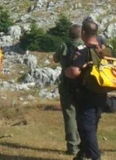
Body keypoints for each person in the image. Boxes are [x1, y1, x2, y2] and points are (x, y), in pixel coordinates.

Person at [64, 18, 112, 160]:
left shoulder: (83, 51)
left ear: (83, 33)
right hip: (102, 93)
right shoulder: (105, 50)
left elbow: (74, 72)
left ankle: (95, 157)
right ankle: (82, 154)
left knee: (87, 129)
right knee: (91, 125)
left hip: (86, 95)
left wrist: (67, 71)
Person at [53, 24, 84, 156]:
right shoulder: (85, 46)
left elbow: (55, 59)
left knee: (69, 115)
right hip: (83, 85)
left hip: (66, 84)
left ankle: (72, 147)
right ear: (81, 33)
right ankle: (86, 144)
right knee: (84, 115)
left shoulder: (63, 45)